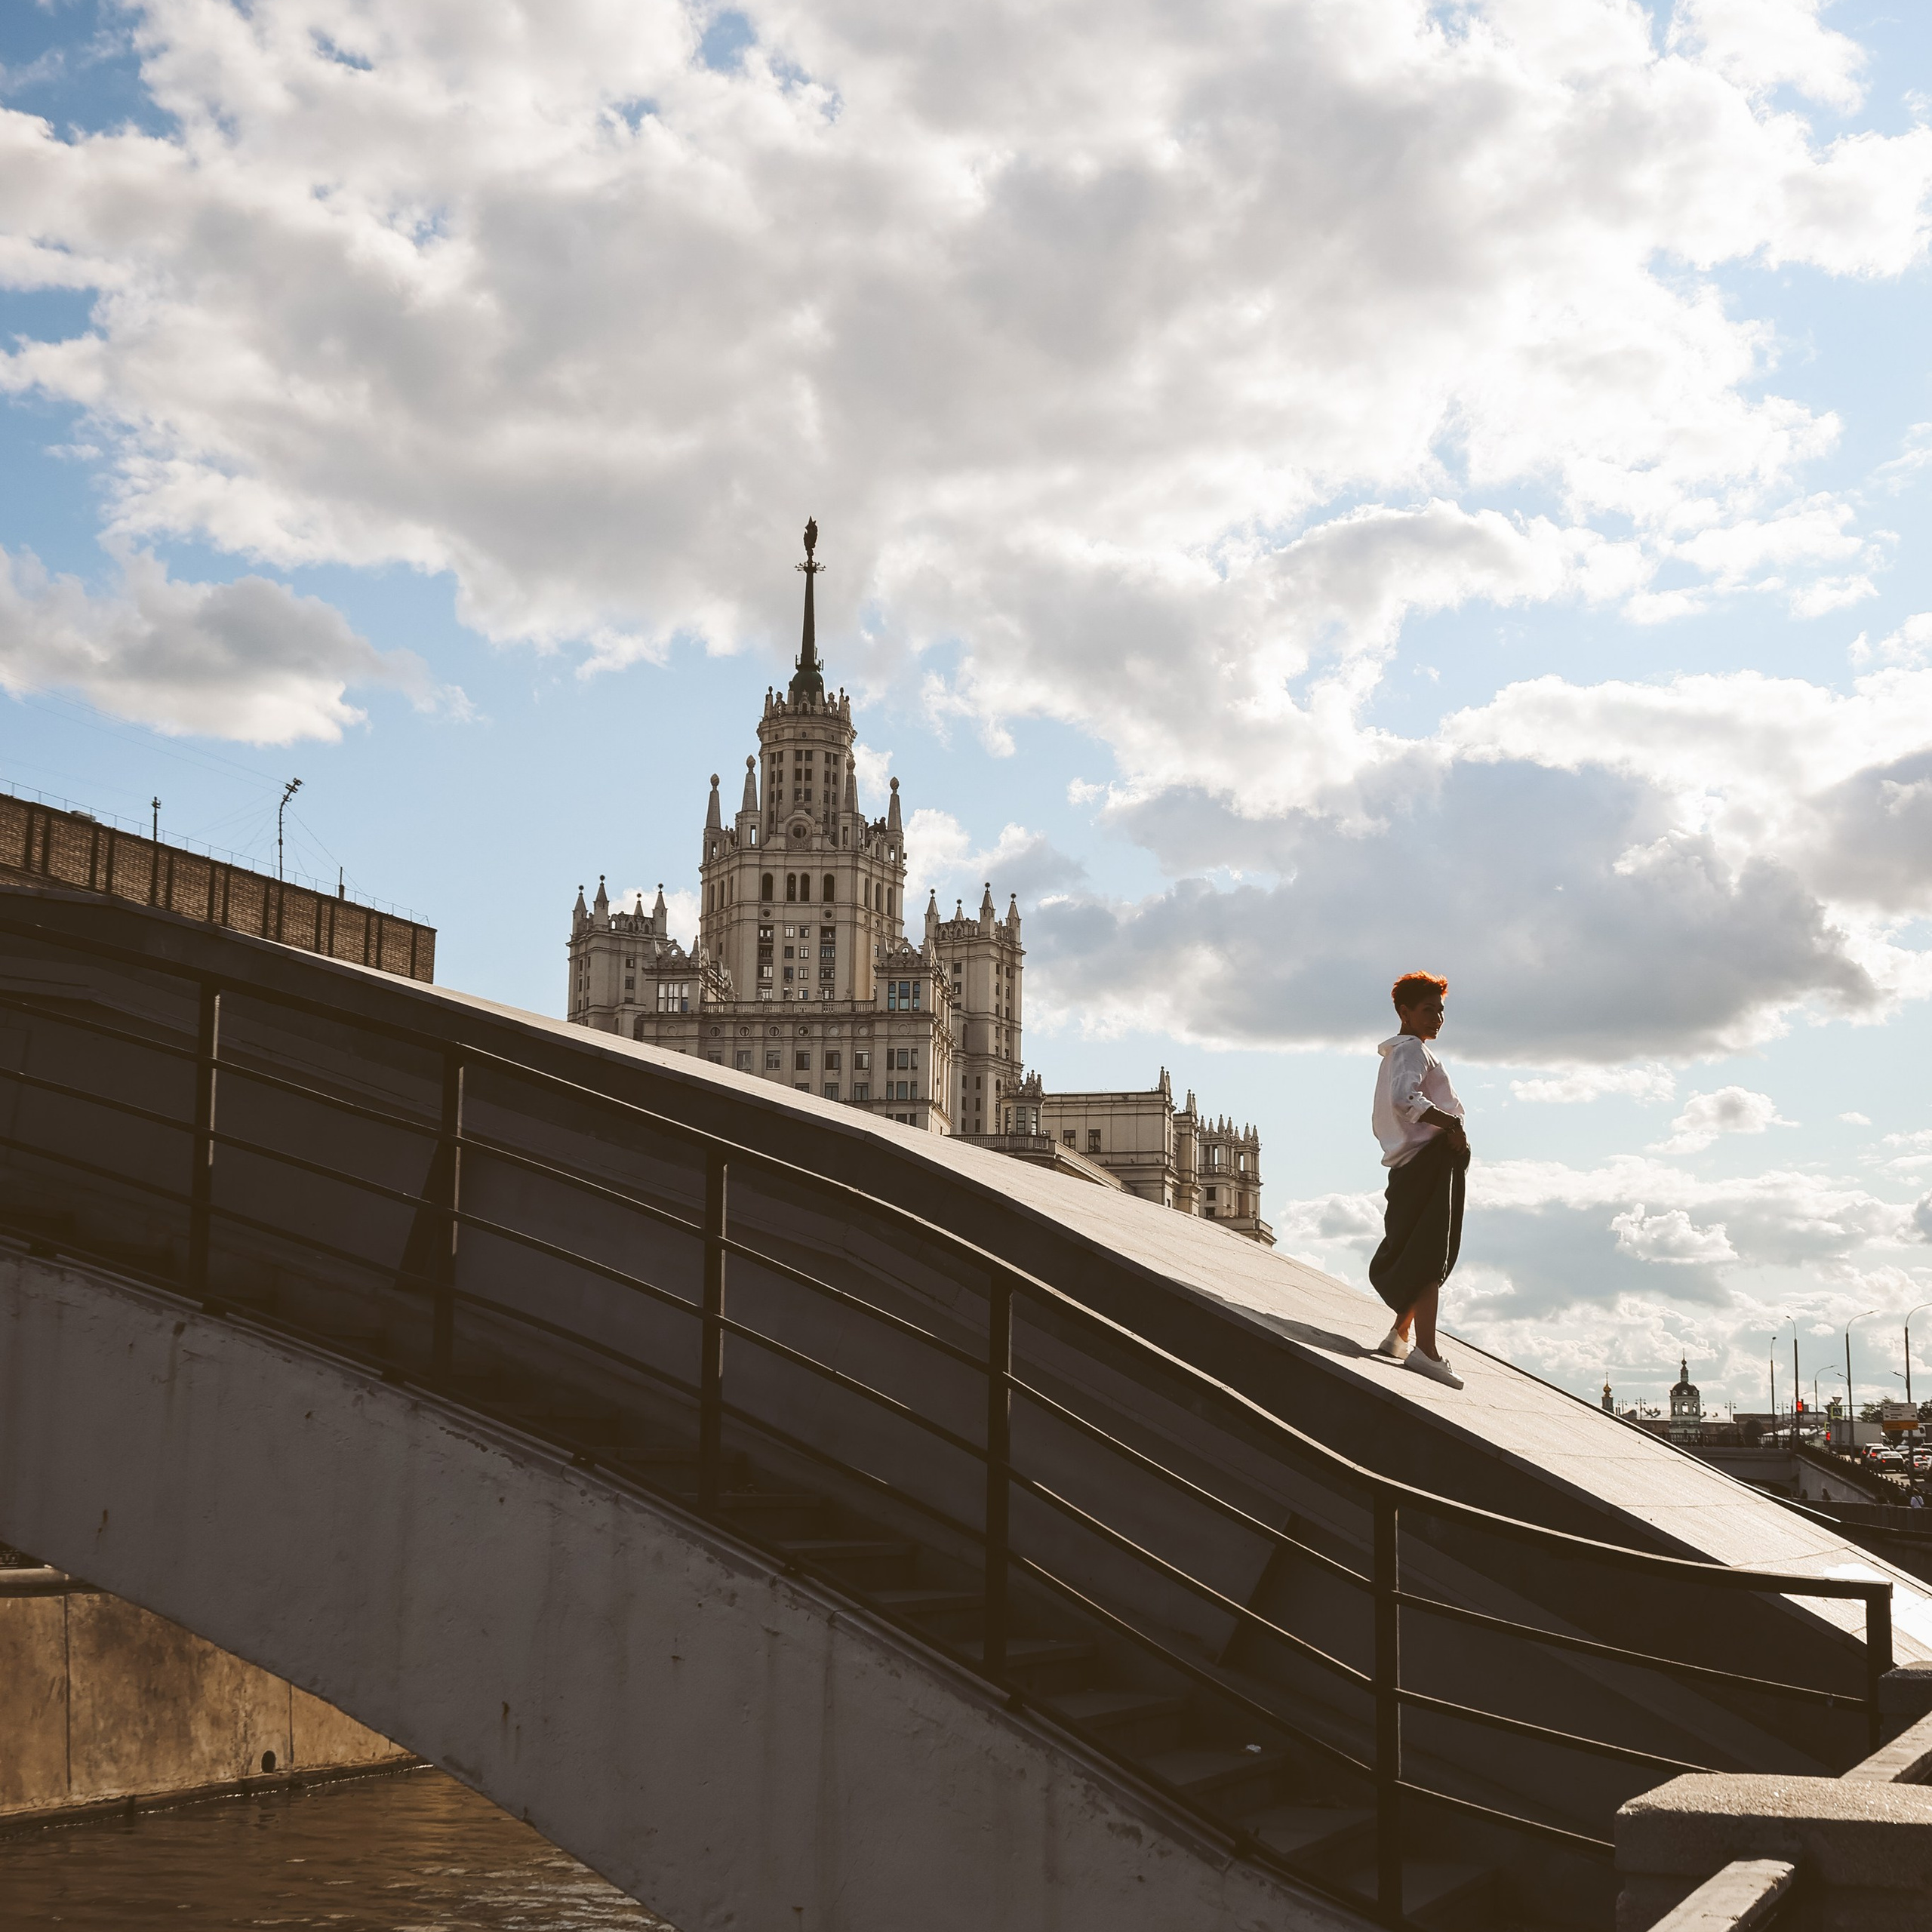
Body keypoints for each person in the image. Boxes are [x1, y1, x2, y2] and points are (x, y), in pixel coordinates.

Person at [1368, 971, 1469, 1389]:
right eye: (1429, 1009)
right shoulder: (1411, 1050)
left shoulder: (1405, 1050)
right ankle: (1426, 1352)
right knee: (1430, 1254)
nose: (1438, 1018)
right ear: (1405, 1012)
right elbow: (1405, 1099)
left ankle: (1401, 1334)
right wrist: (1452, 1126)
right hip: (1426, 1161)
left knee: (1422, 1249)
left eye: (1441, 1011)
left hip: (1417, 1162)